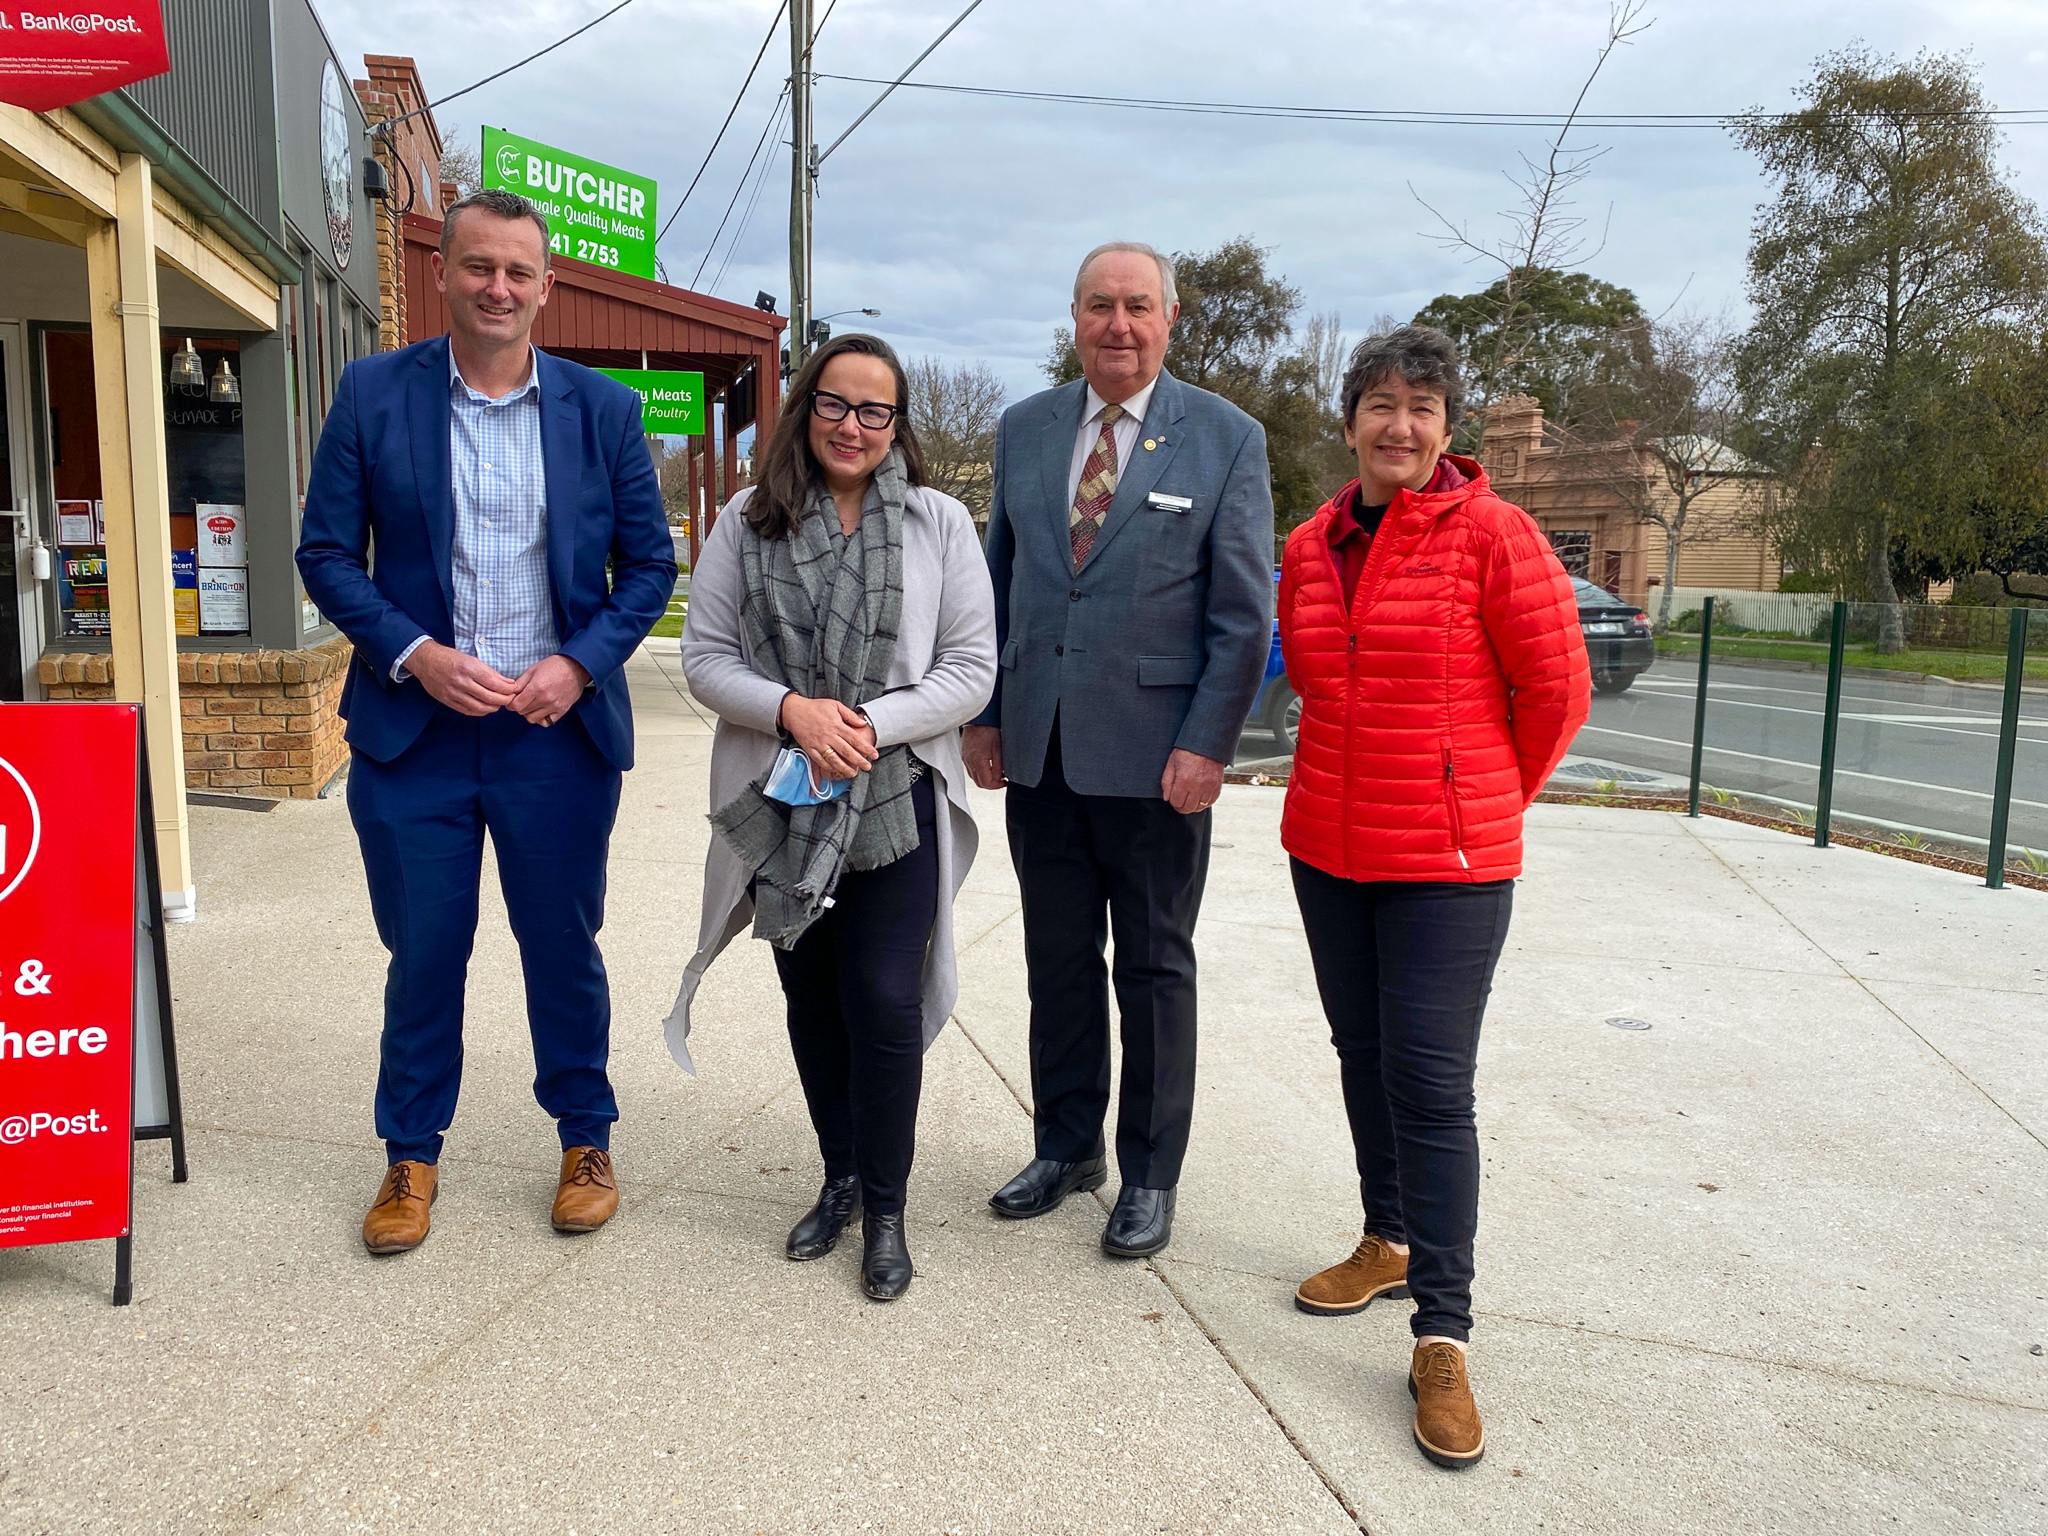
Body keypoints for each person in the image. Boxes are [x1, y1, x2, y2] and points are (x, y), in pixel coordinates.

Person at [296, 189, 676, 1256]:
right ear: (444, 277)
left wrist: (579, 663)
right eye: (478, 268)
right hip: (414, 737)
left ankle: (585, 1138)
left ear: (546, 286)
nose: (498, 288)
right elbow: (324, 554)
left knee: (561, 945)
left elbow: (648, 567)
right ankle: (409, 1156)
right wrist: (412, 653)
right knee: (423, 952)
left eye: (518, 271)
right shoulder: (373, 395)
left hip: (552, 739)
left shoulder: (601, 411)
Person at [1277, 326, 1589, 1470]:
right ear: (1349, 421)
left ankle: (1441, 1334)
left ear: (1446, 429)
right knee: (1360, 1054)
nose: (1397, 425)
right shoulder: (1312, 544)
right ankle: (1385, 1236)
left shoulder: (1492, 535)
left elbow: (1554, 690)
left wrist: (1479, 791)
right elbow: (1312, 681)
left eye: (1419, 406)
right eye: (1377, 405)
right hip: (1326, 847)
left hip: (1448, 864)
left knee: (1427, 1082)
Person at [668, 334, 996, 1302]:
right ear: (805, 408)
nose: (851, 426)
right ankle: (839, 1178)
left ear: (897, 426)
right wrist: (792, 714)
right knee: (811, 1002)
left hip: (893, 800)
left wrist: (864, 726)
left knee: (883, 1005)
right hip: (784, 802)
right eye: (834, 404)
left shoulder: (938, 524)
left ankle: (886, 1212)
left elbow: (970, 669)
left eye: (874, 411)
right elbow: (704, 656)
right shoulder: (747, 519)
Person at [965, 242, 1274, 1259]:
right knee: (1056, 963)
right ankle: (1066, 1147)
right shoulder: (1026, 430)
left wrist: (1206, 746)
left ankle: (1147, 1172)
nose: (1117, 325)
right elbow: (995, 593)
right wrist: (985, 715)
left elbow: (1240, 617)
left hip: (1157, 768)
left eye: (1137, 306)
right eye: (1098, 306)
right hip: (1042, 755)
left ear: (1170, 317)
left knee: (1150, 971)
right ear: (1073, 314)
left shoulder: (1224, 440)